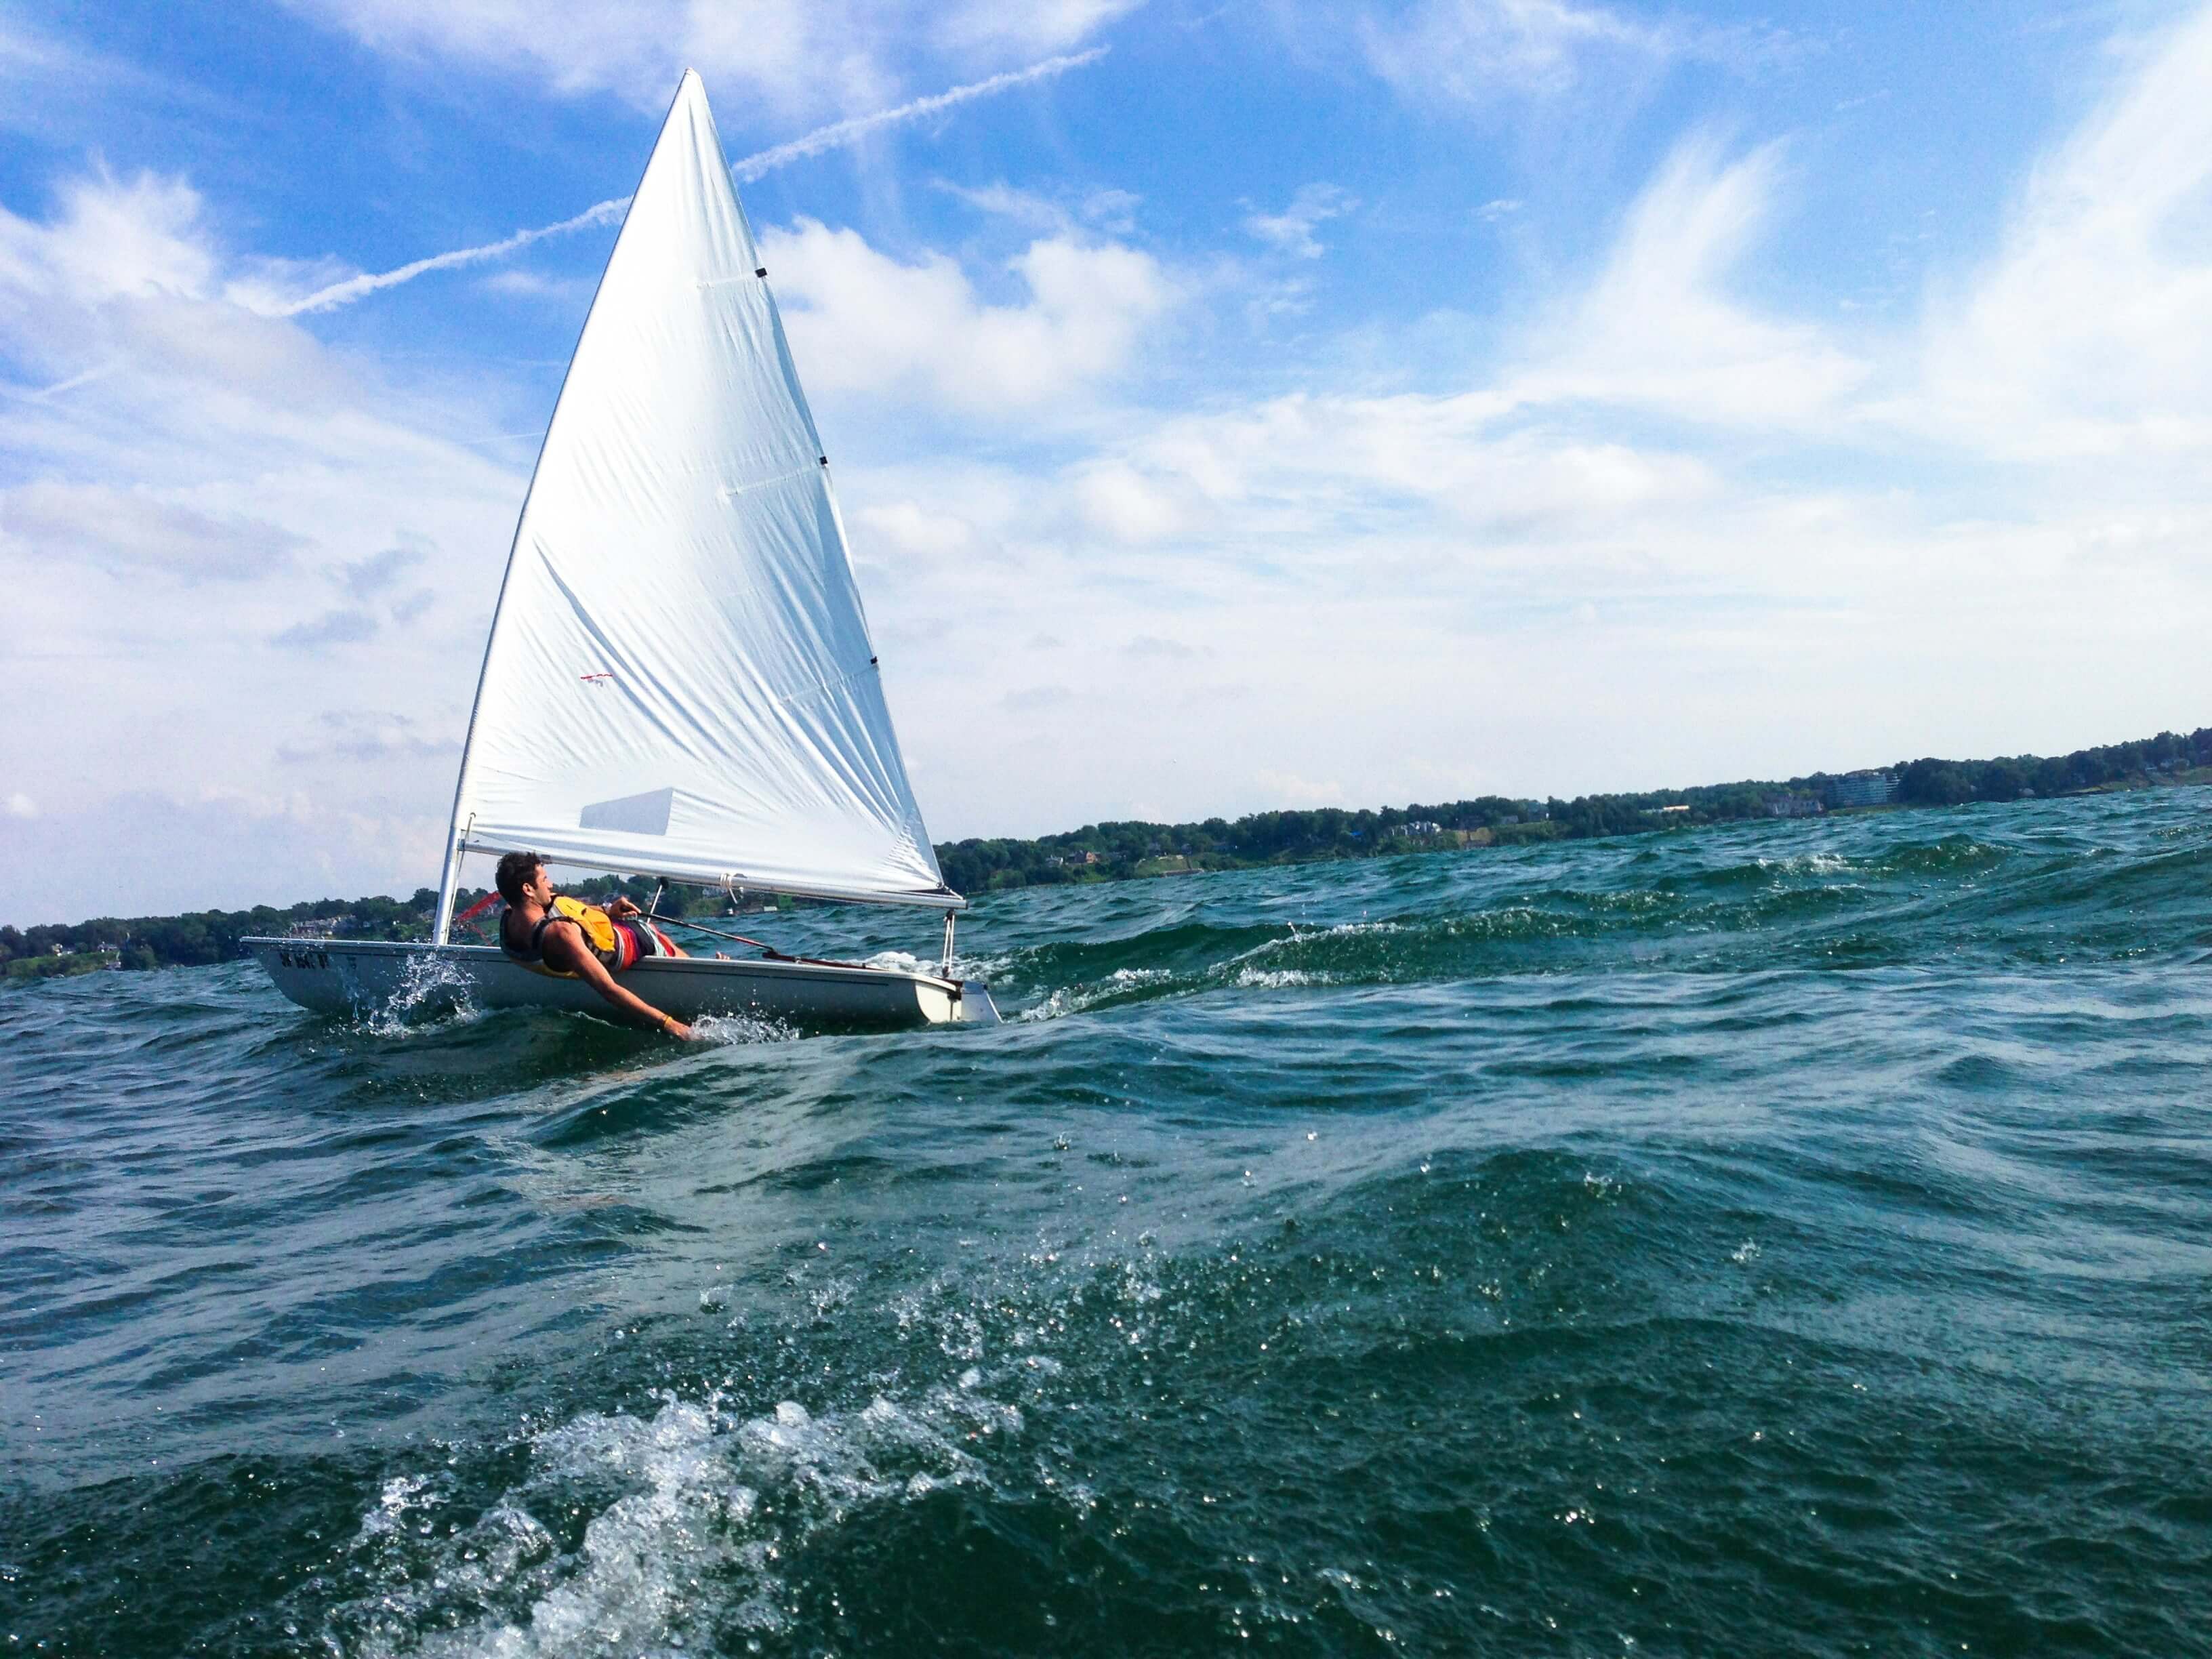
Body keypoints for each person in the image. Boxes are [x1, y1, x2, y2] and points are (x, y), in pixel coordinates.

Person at [494, 851, 695, 1039]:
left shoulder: (509, 920)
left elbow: (560, 908)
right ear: (528, 889)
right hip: (632, 941)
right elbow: (609, 990)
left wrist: (607, 910)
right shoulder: (561, 935)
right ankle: (718, 966)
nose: (551, 884)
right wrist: (668, 1023)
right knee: (662, 940)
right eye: (544, 879)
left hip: (603, 929)